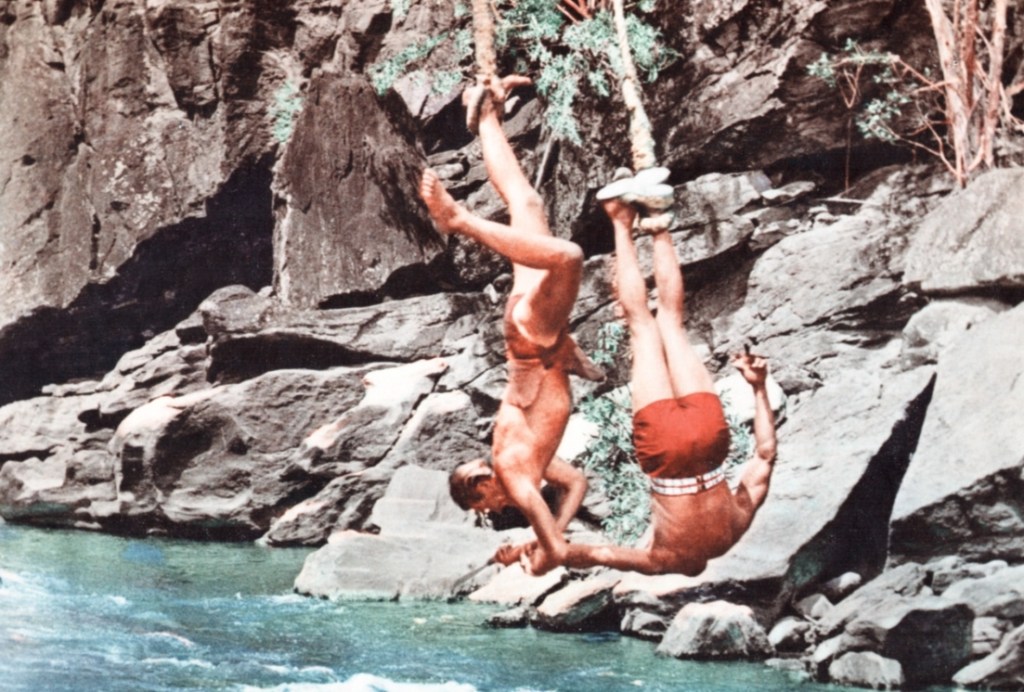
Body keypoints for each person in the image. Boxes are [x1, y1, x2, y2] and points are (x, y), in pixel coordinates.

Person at [419, 76, 605, 575]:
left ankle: (459, 221)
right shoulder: (530, 465)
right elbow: (577, 483)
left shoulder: (516, 477)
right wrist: (548, 538)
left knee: (569, 257)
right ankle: (486, 115)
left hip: (534, 341)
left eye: (486, 505)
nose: (498, 509)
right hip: (533, 337)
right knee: (528, 205)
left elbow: (552, 558)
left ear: (481, 484)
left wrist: (534, 552)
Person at [547, 191, 778, 577]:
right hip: (666, 454)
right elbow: (599, 554)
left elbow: (766, 455)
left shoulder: (731, 534)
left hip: (709, 443)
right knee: (641, 325)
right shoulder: (666, 560)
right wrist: (551, 549)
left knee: (671, 320)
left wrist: (758, 387)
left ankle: (657, 223)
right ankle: (620, 220)